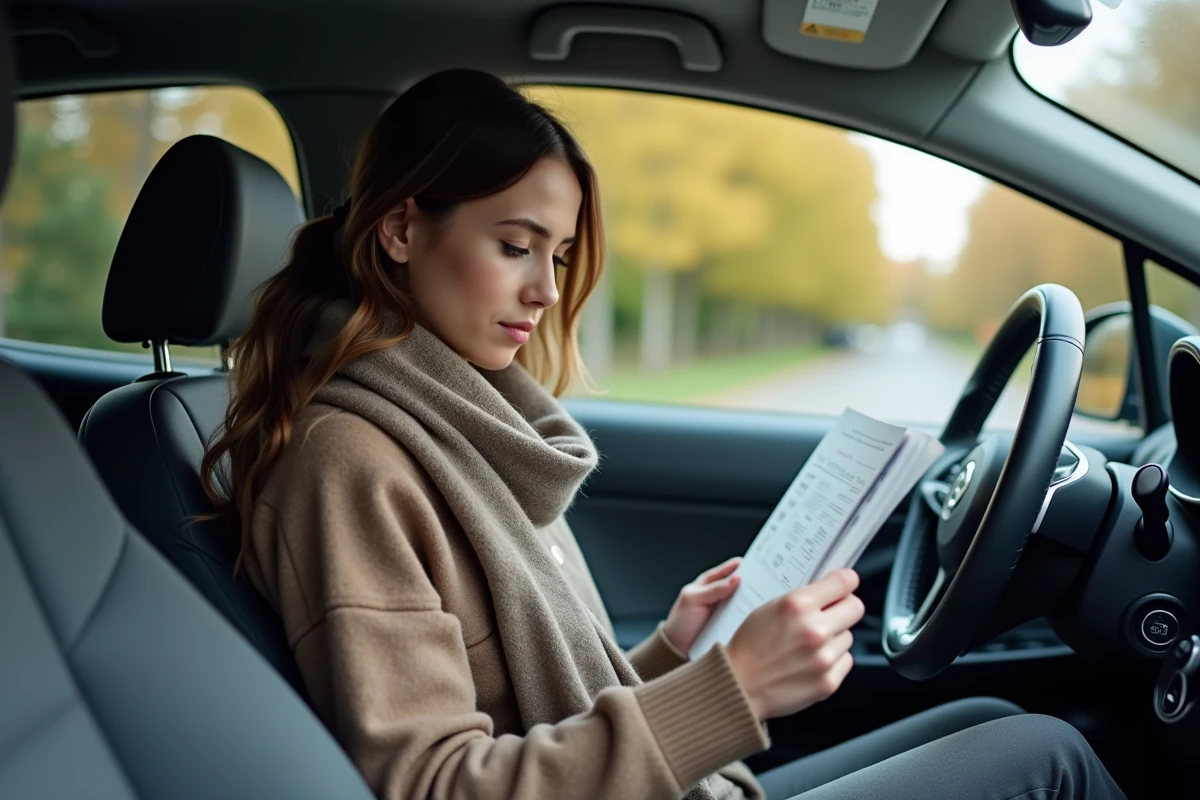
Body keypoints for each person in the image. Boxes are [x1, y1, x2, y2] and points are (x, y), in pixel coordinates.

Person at [201, 68, 1126, 800]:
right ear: (402, 230)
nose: (547, 291)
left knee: (991, 715)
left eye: (558, 256)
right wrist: (735, 692)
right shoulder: (348, 462)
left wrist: (674, 654)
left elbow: (526, 709)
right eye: (515, 245)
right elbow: (430, 784)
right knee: (1044, 757)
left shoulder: (462, 422)